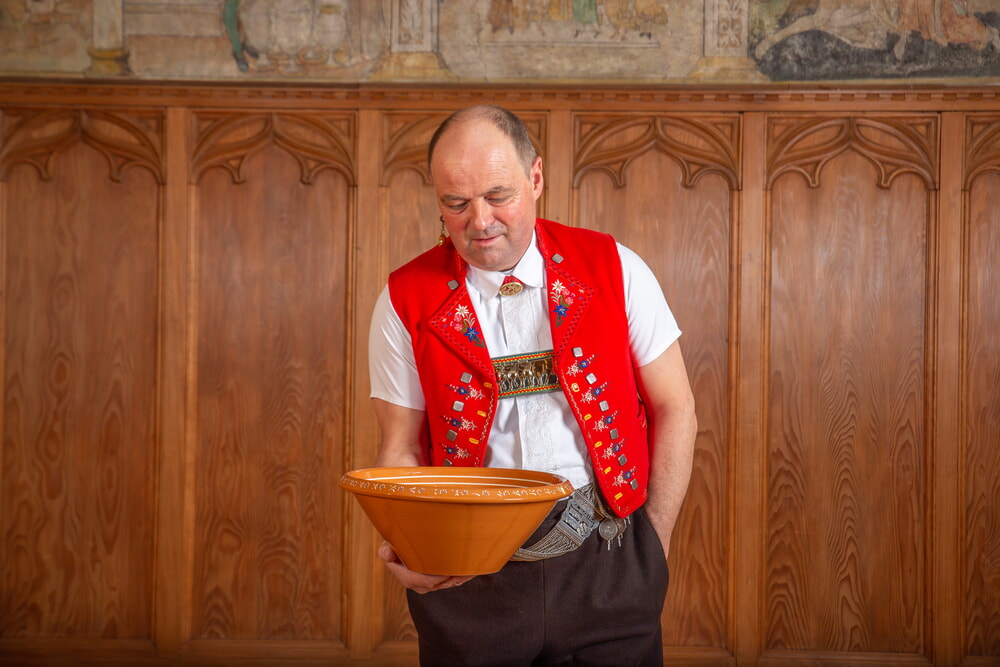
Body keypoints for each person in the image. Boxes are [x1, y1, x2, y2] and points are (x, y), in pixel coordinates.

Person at [368, 104, 697, 666]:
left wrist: (653, 551)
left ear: (536, 179)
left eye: (499, 196)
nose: (480, 220)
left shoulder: (614, 267)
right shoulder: (404, 298)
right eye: (455, 203)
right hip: (468, 574)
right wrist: (411, 545)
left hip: (610, 556)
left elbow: (676, 408)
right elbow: (399, 446)